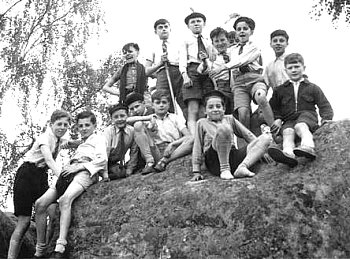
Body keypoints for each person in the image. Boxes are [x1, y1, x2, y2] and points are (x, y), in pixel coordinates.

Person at [34, 111, 107, 258]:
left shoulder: (98, 139)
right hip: (69, 170)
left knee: (65, 199)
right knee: (40, 204)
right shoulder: (82, 142)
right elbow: (66, 142)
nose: (84, 128)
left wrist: (80, 167)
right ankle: (40, 248)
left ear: (94, 126)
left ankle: (60, 247)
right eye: (80, 126)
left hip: (85, 171)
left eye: (87, 125)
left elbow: (102, 160)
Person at [7, 110, 72, 259]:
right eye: (59, 124)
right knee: (23, 223)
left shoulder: (59, 139)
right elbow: (49, 161)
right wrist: (64, 178)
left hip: (41, 177)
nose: (62, 127)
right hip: (26, 175)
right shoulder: (45, 138)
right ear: (51, 124)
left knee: (52, 209)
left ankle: (41, 249)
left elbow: (73, 143)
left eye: (66, 125)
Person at [210, 16, 275, 140]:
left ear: (251, 32)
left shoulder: (254, 47)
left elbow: (241, 60)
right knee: (242, 113)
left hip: (254, 78)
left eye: (245, 28)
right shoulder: (232, 50)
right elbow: (220, 47)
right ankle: (248, 143)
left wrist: (223, 67)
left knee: (260, 96)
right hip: (239, 83)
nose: (242, 31)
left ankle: (275, 130)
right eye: (239, 29)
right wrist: (212, 50)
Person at [268, 53, 333, 167]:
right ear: (285, 70)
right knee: (287, 132)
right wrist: (278, 119)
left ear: (303, 68)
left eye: (297, 67)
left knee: (300, 126)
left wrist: (326, 119)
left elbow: (324, 105)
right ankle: (288, 154)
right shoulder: (280, 90)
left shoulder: (312, 88)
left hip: (308, 117)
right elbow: (274, 107)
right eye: (290, 68)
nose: (294, 70)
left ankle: (308, 147)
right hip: (289, 120)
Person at [192, 90, 273, 181]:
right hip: (214, 160)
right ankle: (225, 169)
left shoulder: (229, 118)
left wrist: (261, 150)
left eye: (218, 106)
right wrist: (196, 171)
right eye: (211, 107)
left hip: (233, 156)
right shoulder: (202, 123)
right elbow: (197, 146)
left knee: (266, 138)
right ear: (205, 111)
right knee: (224, 128)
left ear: (224, 109)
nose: (215, 109)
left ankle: (242, 167)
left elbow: (247, 135)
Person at [134, 89, 193, 174]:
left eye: (164, 102)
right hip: (156, 150)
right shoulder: (149, 119)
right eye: (158, 103)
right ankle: (150, 162)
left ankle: (164, 161)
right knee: (138, 125)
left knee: (192, 139)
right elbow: (128, 120)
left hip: (173, 149)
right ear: (152, 105)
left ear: (169, 105)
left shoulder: (175, 118)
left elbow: (188, 136)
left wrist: (173, 144)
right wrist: (147, 119)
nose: (161, 105)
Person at [179, 12, 215, 135]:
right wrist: (185, 76)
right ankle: (194, 139)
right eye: (192, 22)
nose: (196, 24)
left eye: (198, 21)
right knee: (193, 108)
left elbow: (213, 58)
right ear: (188, 26)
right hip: (192, 70)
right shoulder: (186, 40)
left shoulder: (208, 41)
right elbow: (182, 59)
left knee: (208, 106)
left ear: (204, 23)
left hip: (207, 73)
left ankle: (209, 136)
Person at [144, 18, 185, 113]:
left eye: (166, 27)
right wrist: (160, 64)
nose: (164, 29)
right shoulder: (152, 47)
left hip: (179, 73)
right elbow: (146, 71)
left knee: (184, 100)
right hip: (162, 74)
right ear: (155, 31)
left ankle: (186, 126)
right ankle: (169, 125)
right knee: (164, 101)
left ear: (170, 29)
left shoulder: (180, 44)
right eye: (160, 27)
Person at [197, 27, 234, 114]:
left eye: (222, 40)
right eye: (216, 41)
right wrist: (204, 61)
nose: (220, 43)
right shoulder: (212, 58)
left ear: (228, 40)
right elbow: (200, 70)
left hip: (236, 85)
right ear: (213, 43)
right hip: (222, 87)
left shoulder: (234, 52)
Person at [104, 103, 138, 179]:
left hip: (115, 162)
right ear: (112, 119)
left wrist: (130, 169)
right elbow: (105, 152)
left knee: (124, 173)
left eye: (122, 116)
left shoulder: (132, 131)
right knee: (118, 174)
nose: (119, 119)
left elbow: (134, 151)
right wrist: (104, 173)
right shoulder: (108, 131)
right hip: (103, 160)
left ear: (128, 116)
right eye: (116, 117)